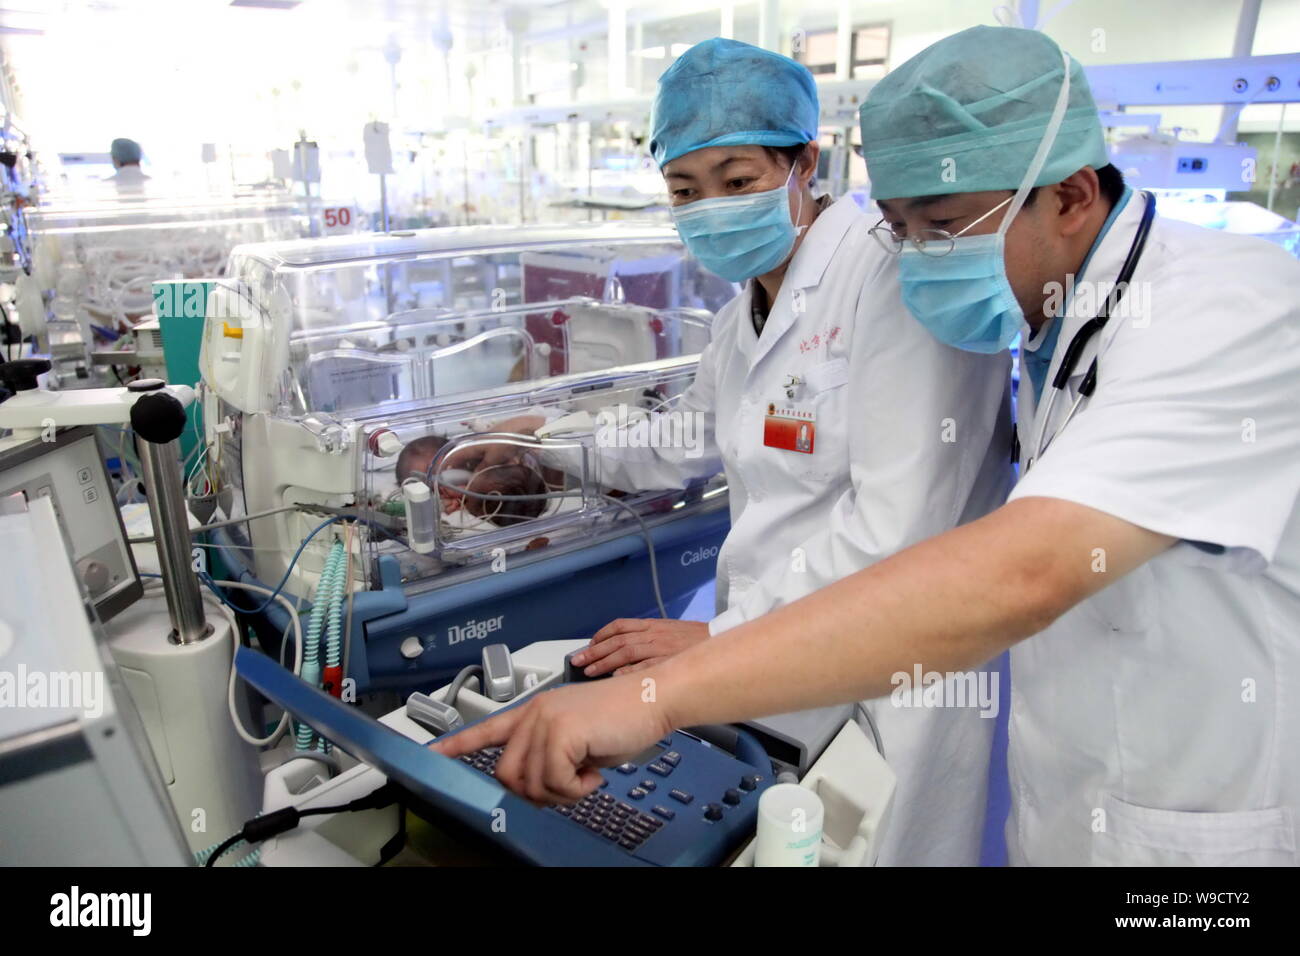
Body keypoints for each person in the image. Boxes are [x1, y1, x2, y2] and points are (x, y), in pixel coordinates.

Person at [435, 26, 1300, 867]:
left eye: (945, 224)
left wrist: (678, 680)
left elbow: (1003, 563)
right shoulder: (1039, 318)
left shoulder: (1230, 310)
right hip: (1053, 777)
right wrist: (556, 446)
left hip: (1184, 812)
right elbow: (692, 433)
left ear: (1070, 196)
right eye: (898, 224)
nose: (917, 256)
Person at [441, 37, 1014, 865]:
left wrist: (728, 636)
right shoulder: (741, 313)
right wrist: (552, 445)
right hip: (770, 662)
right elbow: (680, 440)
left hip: (886, 676)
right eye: (685, 189)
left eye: (738, 182)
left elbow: (896, 529)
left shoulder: (892, 281)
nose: (710, 206)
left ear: (803, 164)